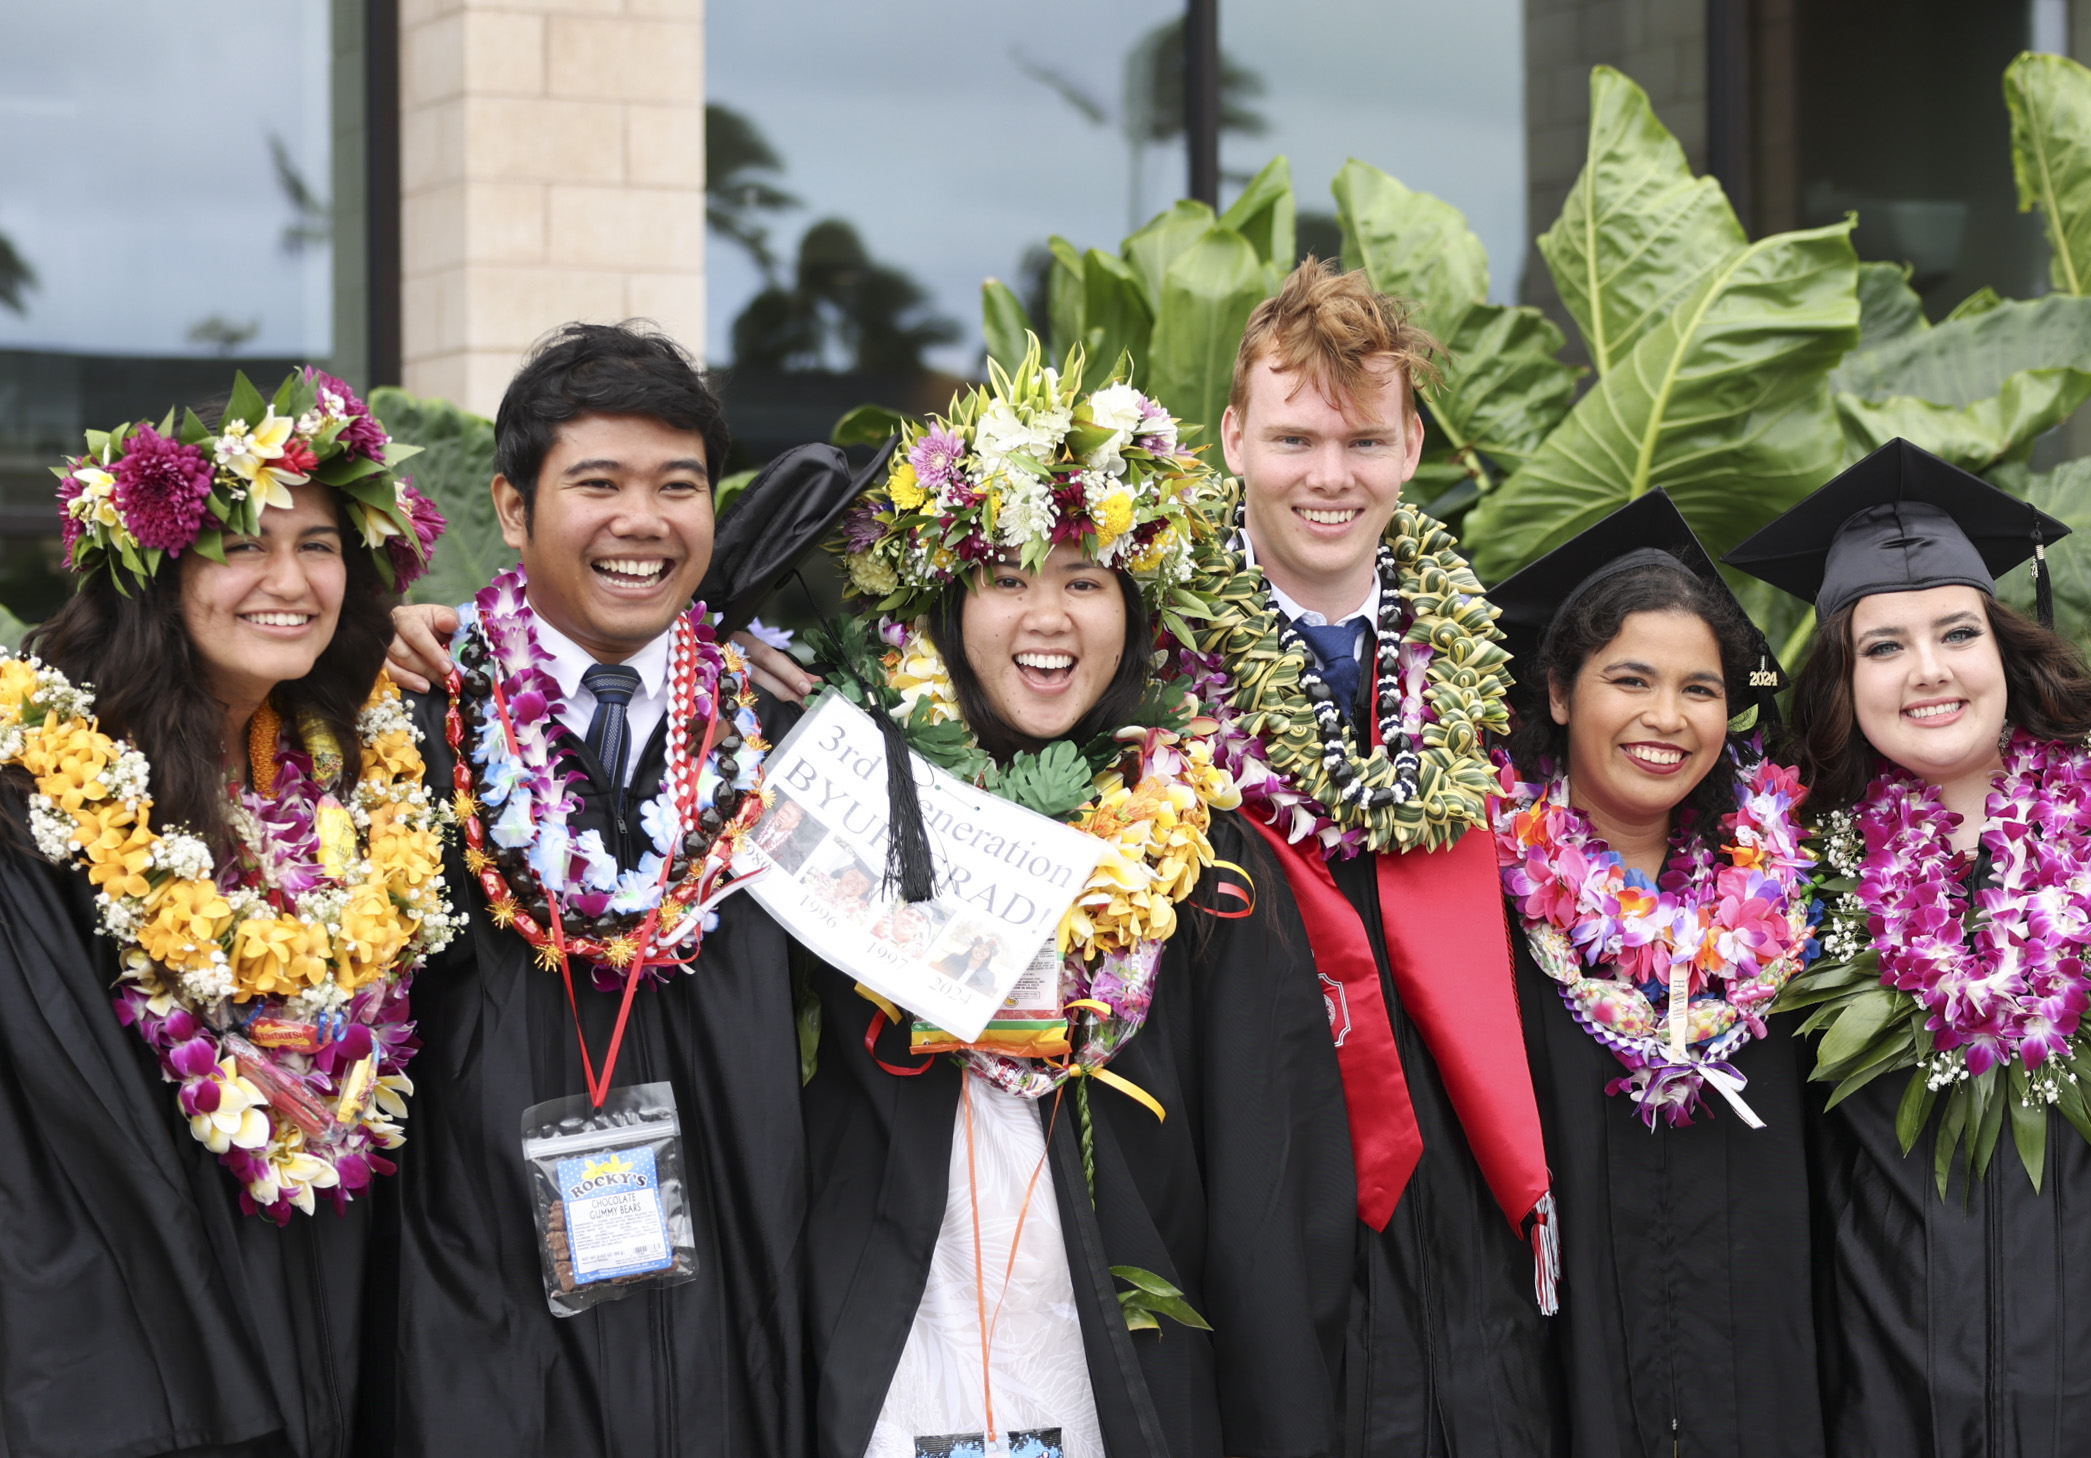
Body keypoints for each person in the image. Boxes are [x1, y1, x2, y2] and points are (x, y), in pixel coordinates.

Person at [806, 344, 1355, 1457]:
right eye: (1005, 577)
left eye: (1083, 579)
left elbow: (1267, 1205)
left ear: (1135, 606)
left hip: (1122, 1371)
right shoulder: (850, 817)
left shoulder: (1207, 870)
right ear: (949, 603)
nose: (1044, 616)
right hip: (884, 1363)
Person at [358, 322, 809, 1456]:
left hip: (735, 1320)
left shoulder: (787, 742)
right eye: (596, 484)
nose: (641, 522)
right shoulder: (408, 732)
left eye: (677, 486)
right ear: (511, 510)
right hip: (480, 1314)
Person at [0, 369, 451, 1457]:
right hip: (148, 1330)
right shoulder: (36, 796)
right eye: (244, 542)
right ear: (155, 571)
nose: (288, 581)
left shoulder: (345, 766)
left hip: (326, 1279)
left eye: (321, 546)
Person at [1726, 438, 2091, 1457]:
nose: (1927, 671)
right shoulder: (1802, 892)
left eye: (1954, 632)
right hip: (1897, 1400)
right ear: (1841, 681)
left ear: (2002, 645)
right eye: (1882, 647)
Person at [1176, 255, 1556, 1455]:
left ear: (1411, 448)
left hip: (1464, 1194)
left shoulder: (1483, 672)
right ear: (1232, 438)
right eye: (1293, 440)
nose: (1329, 478)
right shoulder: (1149, 664)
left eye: (1363, 442)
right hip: (1262, 1175)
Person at [1485, 490, 1824, 1456]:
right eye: (1630, 680)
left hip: (1764, 1375)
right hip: (1552, 1382)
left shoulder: (1792, 906)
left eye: (1700, 689)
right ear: (1559, 692)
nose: (1665, 719)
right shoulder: (1484, 901)